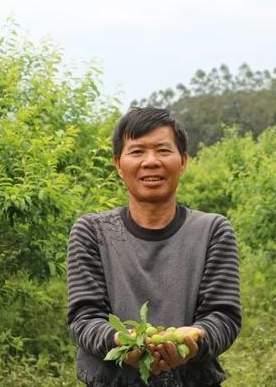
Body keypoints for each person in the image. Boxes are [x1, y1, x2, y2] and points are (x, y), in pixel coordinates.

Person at [66, 107, 241, 386]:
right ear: (118, 164)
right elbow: (83, 318)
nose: (150, 161)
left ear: (182, 161)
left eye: (162, 150)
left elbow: (223, 316)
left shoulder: (212, 231)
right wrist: (121, 342)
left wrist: (192, 340)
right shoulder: (92, 232)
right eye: (136, 152)